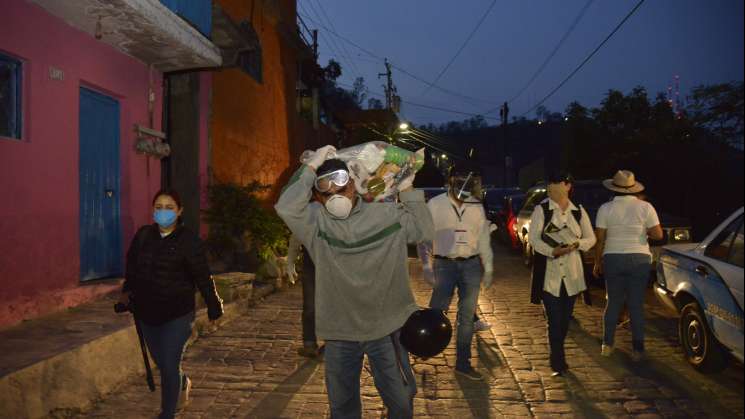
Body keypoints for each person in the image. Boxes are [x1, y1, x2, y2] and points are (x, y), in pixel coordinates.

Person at [275, 146, 434, 419]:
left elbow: (424, 230)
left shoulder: (385, 215)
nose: (335, 194)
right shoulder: (316, 225)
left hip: (386, 328)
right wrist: (311, 166)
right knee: (343, 408)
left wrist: (407, 188)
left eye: (341, 185)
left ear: (353, 182)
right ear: (318, 197)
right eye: (325, 190)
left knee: (401, 402)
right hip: (340, 333)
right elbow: (285, 206)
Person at [118, 190, 223, 419]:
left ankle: (167, 414)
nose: (163, 211)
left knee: (168, 363)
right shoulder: (143, 236)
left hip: (178, 313)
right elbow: (132, 267)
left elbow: (202, 275)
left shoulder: (189, 241)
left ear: (179, 211)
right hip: (147, 312)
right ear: (153, 210)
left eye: (169, 207)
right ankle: (182, 381)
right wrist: (127, 292)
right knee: (165, 364)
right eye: (159, 206)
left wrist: (214, 305)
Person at [422, 162, 493, 381]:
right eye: (458, 179)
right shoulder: (435, 205)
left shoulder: (476, 206)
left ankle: (463, 363)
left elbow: (483, 238)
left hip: (471, 265)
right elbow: (424, 238)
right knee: (436, 311)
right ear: (450, 181)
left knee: (466, 318)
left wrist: (488, 267)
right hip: (445, 264)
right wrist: (426, 266)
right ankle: (423, 345)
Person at [528, 173, 596, 377]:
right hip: (551, 274)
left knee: (565, 320)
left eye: (557, 183)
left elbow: (591, 238)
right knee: (554, 319)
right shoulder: (542, 210)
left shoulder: (578, 211)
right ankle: (557, 361)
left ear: (567, 186)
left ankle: (557, 353)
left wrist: (577, 244)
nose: (552, 186)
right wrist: (552, 251)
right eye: (550, 183)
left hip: (573, 275)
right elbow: (533, 239)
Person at [593, 170, 663, 361]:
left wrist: (597, 262)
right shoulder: (646, 207)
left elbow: (600, 240)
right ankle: (638, 350)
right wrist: (643, 232)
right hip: (639, 258)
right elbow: (658, 235)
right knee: (636, 305)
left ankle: (607, 345)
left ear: (614, 188)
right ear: (633, 188)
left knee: (613, 303)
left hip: (613, 257)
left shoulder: (605, 208)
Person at [286, 231, 324, 358]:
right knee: (310, 307)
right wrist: (290, 261)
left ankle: (333, 344)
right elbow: (297, 236)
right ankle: (309, 344)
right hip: (310, 266)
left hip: (333, 266)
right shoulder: (309, 213)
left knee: (333, 307)